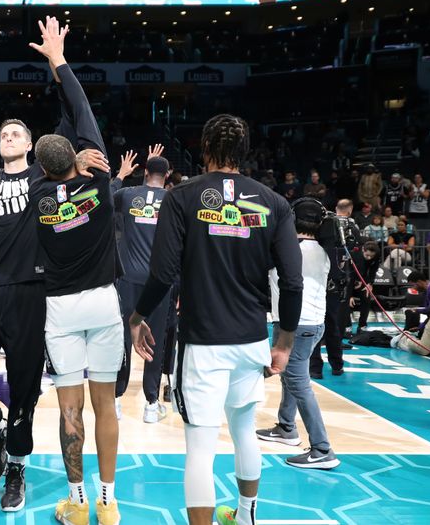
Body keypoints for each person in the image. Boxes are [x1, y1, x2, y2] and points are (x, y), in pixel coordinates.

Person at [0, 18, 110, 512]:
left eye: (17, 131)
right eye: (4, 132)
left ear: (32, 145)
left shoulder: (46, 176)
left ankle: (17, 468)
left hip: (34, 294)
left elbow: (80, 121)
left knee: (28, 391)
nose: (9, 135)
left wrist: (59, 62)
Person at [129, 113, 303, 525]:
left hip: (202, 343)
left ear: (204, 149)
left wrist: (138, 315)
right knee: (244, 432)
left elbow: (162, 273)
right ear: (245, 153)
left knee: (201, 447)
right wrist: (284, 341)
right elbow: (292, 282)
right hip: (251, 339)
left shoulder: (182, 197)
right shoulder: (275, 203)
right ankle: (245, 516)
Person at [29, 116, 123, 525]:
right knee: (106, 407)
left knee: (70, 410)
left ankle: (78, 503)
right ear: (78, 158)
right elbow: (87, 120)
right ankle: (108, 502)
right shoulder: (100, 181)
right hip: (104, 301)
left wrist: (58, 165)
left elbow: (41, 173)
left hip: (61, 307)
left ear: (46, 169)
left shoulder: (37, 193)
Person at [258, 198, 340, 470]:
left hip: (297, 325)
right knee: (292, 377)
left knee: (298, 382)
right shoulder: (325, 250)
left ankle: (322, 449)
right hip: (314, 324)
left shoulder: (289, 249)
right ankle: (286, 427)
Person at [112, 148, 177, 423]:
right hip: (160, 283)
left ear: (144, 173)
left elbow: (104, 199)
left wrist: (120, 175)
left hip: (127, 280)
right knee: (155, 339)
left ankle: (115, 399)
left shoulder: (127, 195)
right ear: (168, 175)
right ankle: (151, 404)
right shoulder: (175, 200)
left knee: (124, 338)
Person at [310, 199, 351, 379]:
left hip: (320, 286)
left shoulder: (314, 238)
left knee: (317, 325)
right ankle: (335, 365)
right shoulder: (336, 236)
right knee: (331, 325)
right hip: (330, 286)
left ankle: (317, 367)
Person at [350, 242, 380, 333]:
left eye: (371, 256)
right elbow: (347, 272)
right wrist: (349, 294)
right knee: (346, 302)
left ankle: (362, 325)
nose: (369, 258)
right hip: (349, 281)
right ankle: (346, 326)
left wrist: (369, 284)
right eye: (367, 255)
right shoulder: (354, 254)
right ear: (363, 250)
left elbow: (373, 271)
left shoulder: (376, 256)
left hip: (363, 281)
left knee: (366, 298)